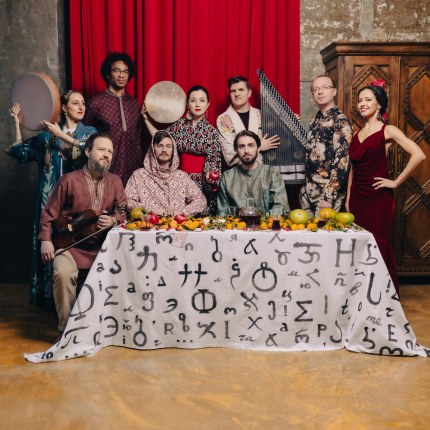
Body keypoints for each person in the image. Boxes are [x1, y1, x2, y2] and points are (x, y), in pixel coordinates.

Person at [6, 90, 97, 308]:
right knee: (50, 247)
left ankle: (80, 302)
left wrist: (60, 134)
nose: (81, 107)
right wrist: (17, 123)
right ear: (64, 108)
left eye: (83, 103)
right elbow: (21, 152)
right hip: (49, 202)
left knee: (76, 247)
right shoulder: (47, 136)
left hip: (78, 203)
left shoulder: (89, 132)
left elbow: (88, 151)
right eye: (75, 103)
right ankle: (51, 301)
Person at [38, 132, 127, 341]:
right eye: (101, 149)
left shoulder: (115, 181)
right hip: (70, 246)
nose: (106, 155)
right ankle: (66, 332)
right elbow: (49, 214)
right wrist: (45, 240)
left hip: (103, 248)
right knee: (62, 273)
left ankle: (107, 329)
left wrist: (113, 219)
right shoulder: (67, 180)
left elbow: (123, 209)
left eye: (110, 151)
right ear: (88, 151)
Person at [347, 80, 426, 297]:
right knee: (360, 246)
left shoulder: (387, 130)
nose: (362, 104)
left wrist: (396, 182)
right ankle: (362, 296)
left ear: (379, 104)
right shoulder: (357, 133)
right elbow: (353, 169)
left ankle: (381, 298)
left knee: (377, 245)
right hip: (357, 199)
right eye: (360, 100)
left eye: (368, 99)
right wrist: (348, 198)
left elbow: (419, 154)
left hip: (378, 199)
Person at [142, 85, 222, 213]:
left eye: (202, 100)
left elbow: (214, 160)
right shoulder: (179, 125)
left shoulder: (212, 133)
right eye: (193, 100)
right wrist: (146, 119)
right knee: (174, 216)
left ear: (208, 104)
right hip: (178, 179)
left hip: (201, 181)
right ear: (187, 104)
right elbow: (161, 139)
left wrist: (210, 176)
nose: (197, 104)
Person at [83, 52, 143, 186]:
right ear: (107, 74)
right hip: (105, 169)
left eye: (125, 72)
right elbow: (85, 138)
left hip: (132, 170)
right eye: (116, 71)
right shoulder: (95, 103)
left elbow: (138, 138)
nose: (121, 75)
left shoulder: (134, 103)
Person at [299, 75, 353, 218]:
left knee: (323, 231)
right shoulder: (314, 120)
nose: (320, 92)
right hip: (308, 192)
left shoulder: (340, 122)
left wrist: (329, 197)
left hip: (326, 195)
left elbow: (341, 162)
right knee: (305, 231)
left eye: (325, 87)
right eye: (316, 89)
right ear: (312, 94)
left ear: (334, 91)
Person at [125, 130, 207, 216]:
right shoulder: (139, 175)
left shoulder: (181, 176)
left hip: (177, 223)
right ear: (152, 149)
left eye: (168, 146)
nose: (164, 150)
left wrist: (181, 213)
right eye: (160, 146)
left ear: (173, 150)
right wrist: (152, 211)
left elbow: (201, 201)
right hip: (149, 223)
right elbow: (127, 202)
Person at [217, 130, 289, 216]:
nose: (246, 151)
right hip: (237, 224)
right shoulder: (227, 177)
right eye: (241, 146)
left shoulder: (272, 174)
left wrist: (258, 218)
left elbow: (281, 207)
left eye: (250, 145)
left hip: (266, 224)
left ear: (258, 149)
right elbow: (222, 212)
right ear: (236, 150)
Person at [216, 75, 280, 167]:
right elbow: (230, 156)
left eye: (241, 90)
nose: (237, 94)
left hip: (264, 170)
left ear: (249, 93)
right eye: (233, 91)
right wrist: (259, 147)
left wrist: (291, 120)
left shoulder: (261, 115)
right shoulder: (223, 119)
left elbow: (276, 140)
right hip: (238, 172)